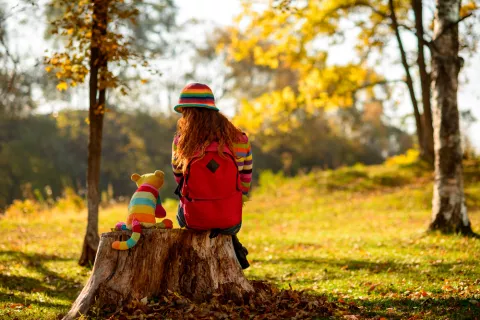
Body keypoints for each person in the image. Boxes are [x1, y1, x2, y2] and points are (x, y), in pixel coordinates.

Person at [171, 83, 252, 269]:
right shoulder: (239, 138)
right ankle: (234, 245)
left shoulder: (181, 142)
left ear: (187, 113)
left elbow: (179, 178)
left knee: (181, 208)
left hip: (194, 219)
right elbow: (245, 178)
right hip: (230, 220)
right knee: (226, 220)